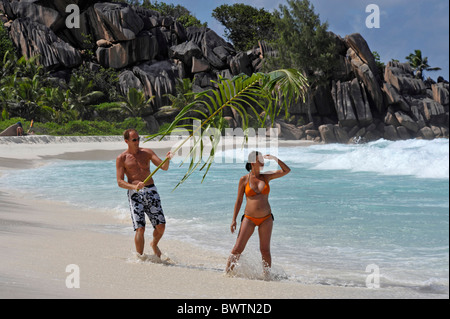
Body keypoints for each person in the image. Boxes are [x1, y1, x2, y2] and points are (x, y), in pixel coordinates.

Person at [226, 151, 291, 277]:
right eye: (259, 160)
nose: (262, 162)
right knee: (237, 249)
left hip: (266, 219)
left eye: (262, 159)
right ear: (252, 162)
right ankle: (227, 274)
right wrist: (233, 220)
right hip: (249, 218)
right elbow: (239, 200)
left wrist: (275, 159)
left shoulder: (266, 176)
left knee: (265, 250)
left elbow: (286, 170)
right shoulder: (244, 179)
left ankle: (267, 277)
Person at [116, 129, 173, 258]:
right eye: (134, 140)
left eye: (138, 138)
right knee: (140, 228)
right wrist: (134, 187)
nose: (137, 142)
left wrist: (167, 159)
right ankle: (140, 257)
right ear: (127, 141)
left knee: (161, 226)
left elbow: (164, 167)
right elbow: (120, 182)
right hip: (135, 194)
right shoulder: (122, 158)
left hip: (151, 190)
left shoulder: (147, 152)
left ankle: (154, 244)